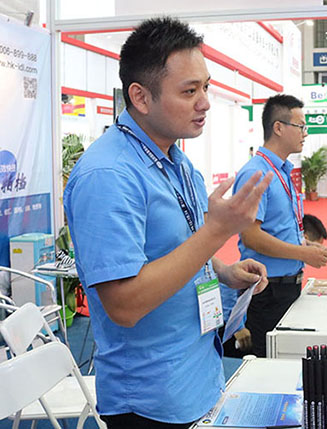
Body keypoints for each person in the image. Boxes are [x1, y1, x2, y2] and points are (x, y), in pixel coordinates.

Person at [63, 17, 273, 429]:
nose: (205, 102)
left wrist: (224, 271)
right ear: (140, 97)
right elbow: (124, 305)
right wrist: (216, 232)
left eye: (206, 87)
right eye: (189, 91)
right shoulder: (108, 175)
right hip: (150, 401)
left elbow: (177, 247)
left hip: (198, 376)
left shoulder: (178, 161)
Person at [235, 94, 327, 357]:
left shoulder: (282, 171)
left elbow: (279, 228)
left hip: (286, 286)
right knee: (268, 362)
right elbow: (251, 237)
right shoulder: (256, 173)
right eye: (301, 126)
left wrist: (307, 245)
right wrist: (302, 253)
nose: (305, 133)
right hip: (266, 291)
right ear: (278, 127)